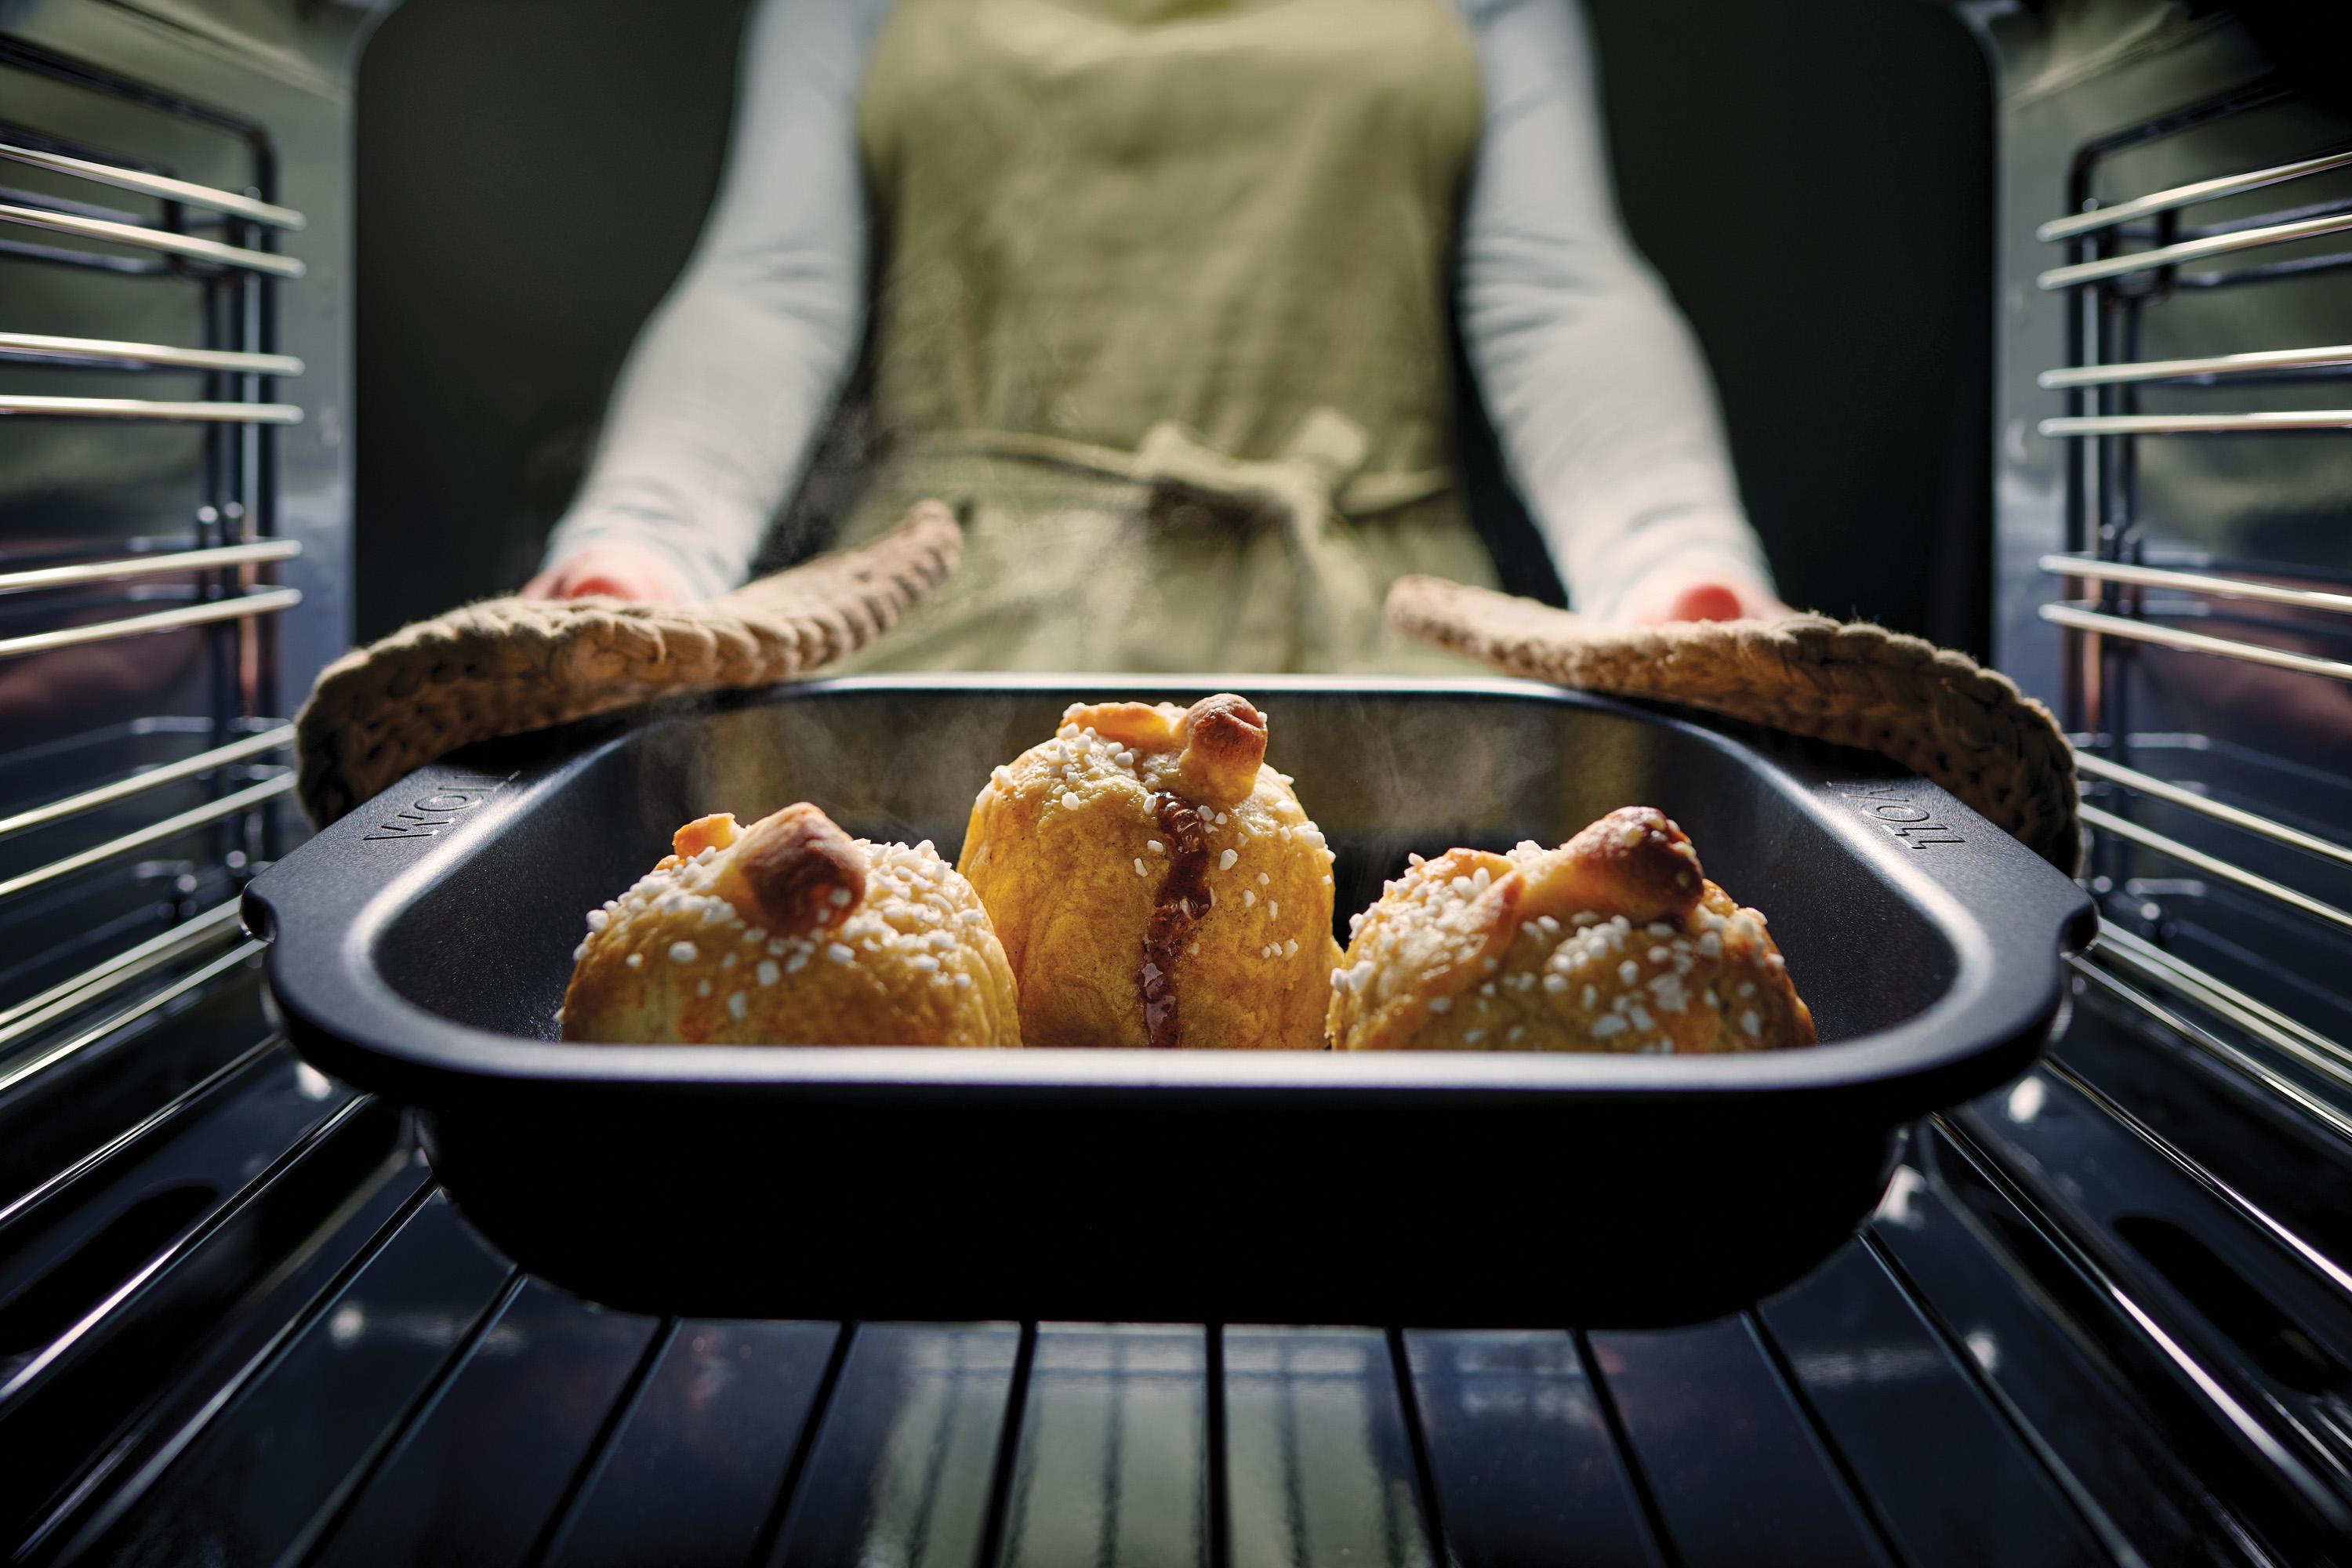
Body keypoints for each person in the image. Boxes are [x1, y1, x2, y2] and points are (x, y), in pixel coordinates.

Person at [523, 0, 1788, 670]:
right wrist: (640, 554)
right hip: (949, 627)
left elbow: (1556, 299)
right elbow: (773, 290)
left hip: (1377, 640)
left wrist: (1675, 571)